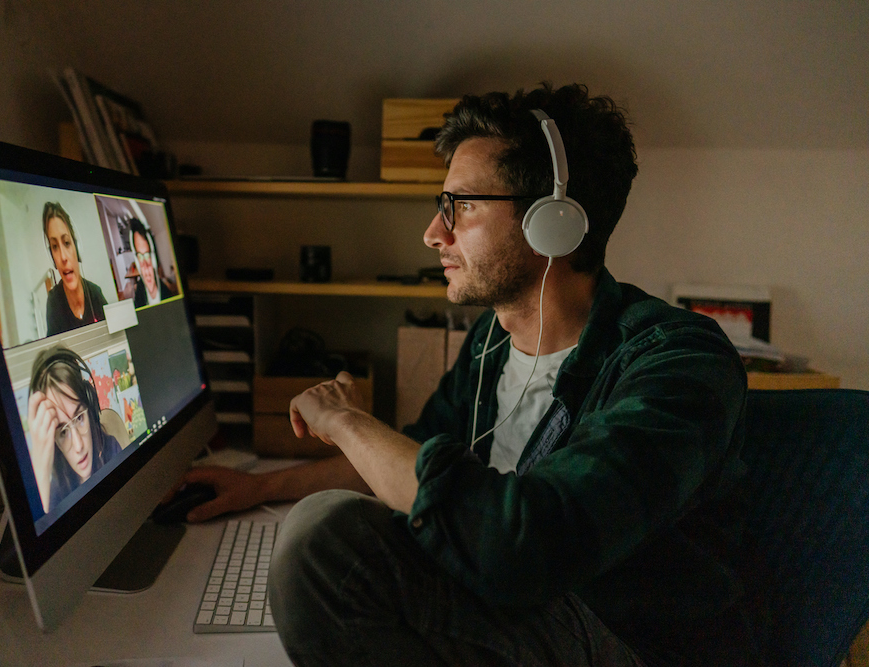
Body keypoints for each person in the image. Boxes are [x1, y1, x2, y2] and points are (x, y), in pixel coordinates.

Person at [175, 83, 762, 666]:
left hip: (625, 641)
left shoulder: (677, 361)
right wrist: (257, 487)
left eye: (463, 205)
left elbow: (524, 545)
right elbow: (420, 460)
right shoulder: (490, 342)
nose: (434, 232)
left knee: (324, 543)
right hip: (512, 614)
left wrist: (350, 422)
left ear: (550, 222)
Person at [27, 345, 122, 514]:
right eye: (63, 432)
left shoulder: (111, 449)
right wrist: (40, 474)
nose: (79, 446)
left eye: (79, 418)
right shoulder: (54, 494)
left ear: (91, 408)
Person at [43, 202, 109, 335]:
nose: (63, 257)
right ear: (52, 257)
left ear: (77, 249)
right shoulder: (53, 302)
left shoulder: (95, 294)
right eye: (55, 247)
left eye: (66, 243)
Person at [128, 217, 174, 307]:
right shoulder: (138, 297)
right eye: (140, 256)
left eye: (147, 255)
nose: (145, 266)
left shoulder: (168, 295)